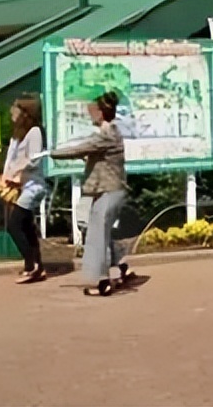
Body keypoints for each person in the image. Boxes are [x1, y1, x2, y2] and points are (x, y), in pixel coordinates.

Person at [49, 91, 135, 297]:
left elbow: (81, 149)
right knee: (93, 228)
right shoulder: (107, 133)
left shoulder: (107, 134)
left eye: (93, 111)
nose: (90, 115)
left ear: (101, 113)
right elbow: (95, 155)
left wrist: (50, 153)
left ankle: (102, 282)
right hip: (101, 191)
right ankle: (122, 266)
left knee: (97, 235)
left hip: (109, 191)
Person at [3, 95, 47, 284]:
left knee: (14, 225)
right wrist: (6, 177)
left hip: (32, 186)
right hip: (18, 185)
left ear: (25, 112)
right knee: (27, 226)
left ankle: (32, 265)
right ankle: (36, 265)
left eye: (16, 107)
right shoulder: (17, 134)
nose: (12, 111)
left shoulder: (34, 132)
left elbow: (35, 158)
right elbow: (10, 158)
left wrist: (20, 169)